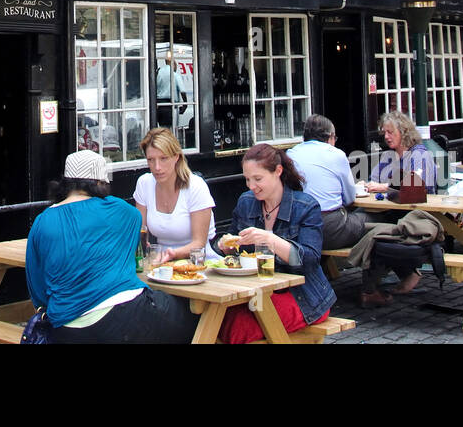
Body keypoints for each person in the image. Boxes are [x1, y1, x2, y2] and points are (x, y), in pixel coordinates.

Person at [26, 151, 195, 343]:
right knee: (190, 316)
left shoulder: (42, 221)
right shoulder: (123, 211)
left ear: (64, 182)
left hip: (66, 329)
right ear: (100, 182)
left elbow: (37, 288)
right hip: (126, 314)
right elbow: (131, 242)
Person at [216, 144, 335, 344]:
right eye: (247, 179)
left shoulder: (306, 206)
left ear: (278, 171)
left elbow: (311, 259)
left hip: (302, 295)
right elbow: (234, 253)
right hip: (255, 293)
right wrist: (226, 248)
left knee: (237, 328)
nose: (251, 186)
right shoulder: (246, 203)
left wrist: (271, 240)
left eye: (258, 179)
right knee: (214, 319)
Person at [133, 127, 215, 262]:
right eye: (151, 160)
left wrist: (172, 254)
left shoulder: (195, 186)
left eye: (163, 158)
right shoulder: (144, 183)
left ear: (176, 157)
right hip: (160, 262)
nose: (157, 167)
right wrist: (142, 246)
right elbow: (140, 232)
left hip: (200, 261)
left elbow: (199, 244)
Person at [290, 115, 366, 249]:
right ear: (330, 137)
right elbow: (349, 198)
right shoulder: (337, 154)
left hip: (298, 228)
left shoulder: (291, 154)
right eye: (335, 138)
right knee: (376, 220)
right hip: (329, 228)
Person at [368, 110, 439, 194]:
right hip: (388, 205)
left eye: (390, 132)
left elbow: (420, 187)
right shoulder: (387, 156)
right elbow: (374, 180)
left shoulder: (419, 154)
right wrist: (366, 185)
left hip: (415, 206)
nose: (386, 136)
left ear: (403, 132)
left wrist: (384, 187)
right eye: (384, 132)